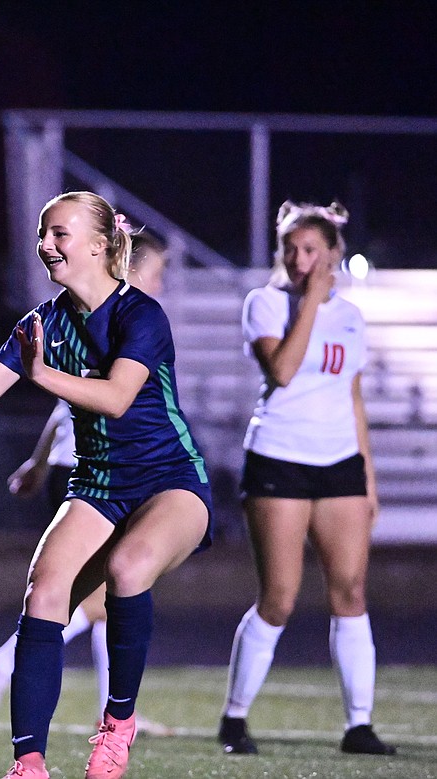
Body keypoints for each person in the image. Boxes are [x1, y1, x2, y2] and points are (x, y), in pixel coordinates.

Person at [0, 192, 211, 779]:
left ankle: (117, 726)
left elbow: (117, 399)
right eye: (43, 234)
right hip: (96, 483)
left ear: (98, 244)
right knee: (43, 596)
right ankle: (29, 764)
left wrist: (44, 375)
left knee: (129, 570)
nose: (45, 245)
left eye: (59, 234)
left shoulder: (141, 313)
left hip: (169, 481)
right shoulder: (41, 323)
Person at [0, 234, 174, 738]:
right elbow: (82, 398)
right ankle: (5, 663)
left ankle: (115, 711)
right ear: (134, 268)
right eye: (159, 270)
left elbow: (70, 398)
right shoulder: (110, 313)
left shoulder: (126, 317)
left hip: (88, 464)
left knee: (106, 602)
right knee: (89, 597)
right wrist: (42, 460)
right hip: (90, 470)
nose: (163, 282)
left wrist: (38, 460)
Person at [217, 201, 394, 757]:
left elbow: (354, 396)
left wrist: (367, 477)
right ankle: (235, 717)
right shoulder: (265, 304)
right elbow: (284, 370)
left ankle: (358, 726)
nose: (299, 259)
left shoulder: (351, 316)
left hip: (339, 462)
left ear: (333, 254)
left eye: (311, 250)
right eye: (290, 249)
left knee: (351, 592)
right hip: (278, 458)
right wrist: (311, 302)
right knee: (280, 598)